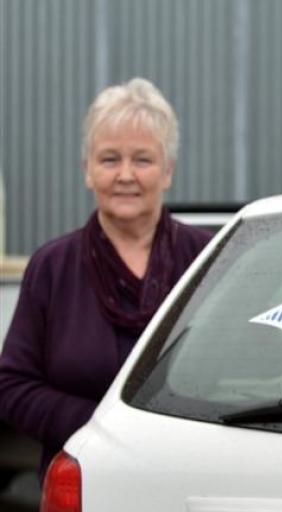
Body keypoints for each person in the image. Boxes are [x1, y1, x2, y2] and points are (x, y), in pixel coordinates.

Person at [0, 78, 212, 477]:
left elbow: (231, 373)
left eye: (143, 160)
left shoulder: (205, 261)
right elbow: (11, 387)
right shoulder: (52, 267)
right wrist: (103, 429)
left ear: (168, 172)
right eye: (110, 159)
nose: (126, 175)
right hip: (80, 484)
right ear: (87, 171)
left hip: (186, 478)